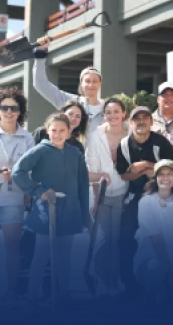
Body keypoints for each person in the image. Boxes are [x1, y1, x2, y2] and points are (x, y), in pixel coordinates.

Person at [12, 112, 90, 314]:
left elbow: (82, 185)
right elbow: (17, 172)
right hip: (46, 212)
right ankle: (32, 297)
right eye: (53, 130)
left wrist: (84, 215)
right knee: (41, 254)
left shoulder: (75, 154)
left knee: (65, 256)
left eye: (62, 130)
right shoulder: (39, 151)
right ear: (48, 130)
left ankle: (63, 295)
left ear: (69, 131)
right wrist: (39, 192)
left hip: (70, 211)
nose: (57, 134)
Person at [115, 106, 173, 301]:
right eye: (136, 118)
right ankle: (130, 285)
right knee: (125, 239)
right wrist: (142, 173)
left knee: (167, 240)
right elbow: (123, 174)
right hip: (135, 197)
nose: (141, 121)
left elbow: (170, 169)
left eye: (145, 118)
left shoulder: (161, 142)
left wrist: (147, 165)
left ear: (151, 121)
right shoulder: (124, 144)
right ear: (130, 122)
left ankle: (169, 282)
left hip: (162, 197)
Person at [85, 98, 129, 299]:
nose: (112, 116)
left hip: (123, 193)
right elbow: (91, 166)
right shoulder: (96, 135)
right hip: (101, 194)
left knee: (116, 239)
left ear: (123, 114)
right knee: (103, 239)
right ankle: (102, 281)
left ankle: (115, 280)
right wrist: (96, 198)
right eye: (108, 112)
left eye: (116, 111)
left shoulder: (130, 133)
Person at [0, 87, 35, 309]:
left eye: (14, 108)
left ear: (20, 111)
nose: (9, 111)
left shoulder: (28, 137)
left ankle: (10, 292)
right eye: (4, 107)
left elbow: (32, 170)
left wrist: (26, 187)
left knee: (12, 246)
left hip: (14, 199)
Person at [134, 159, 173, 307]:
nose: (166, 178)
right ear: (155, 178)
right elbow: (154, 236)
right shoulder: (146, 202)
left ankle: (167, 290)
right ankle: (150, 293)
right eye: (161, 174)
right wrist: (170, 267)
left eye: (169, 174)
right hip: (151, 260)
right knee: (156, 267)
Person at [33, 39, 104, 136]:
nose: (91, 85)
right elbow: (41, 84)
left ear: (100, 84)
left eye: (95, 81)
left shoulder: (108, 109)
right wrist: (40, 55)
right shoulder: (69, 102)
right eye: (87, 81)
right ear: (81, 84)